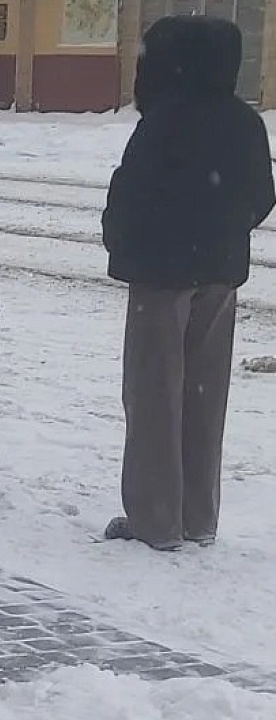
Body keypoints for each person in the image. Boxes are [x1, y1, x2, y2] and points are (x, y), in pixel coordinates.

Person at [101, 15, 274, 551]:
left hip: (160, 275)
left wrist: (124, 242)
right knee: (205, 395)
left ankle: (157, 520)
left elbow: (128, 198)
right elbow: (262, 194)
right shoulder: (244, 121)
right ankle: (199, 516)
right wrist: (225, 227)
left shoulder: (163, 121)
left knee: (156, 394)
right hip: (220, 273)